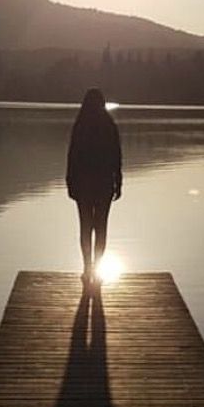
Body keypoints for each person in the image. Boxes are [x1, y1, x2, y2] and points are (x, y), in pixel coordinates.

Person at [66, 88, 122, 287]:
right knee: (101, 228)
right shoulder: (109, 125)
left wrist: (70, 181)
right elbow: (117, 155)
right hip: (104, 183)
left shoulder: (80, 125)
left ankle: (87, 268)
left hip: (84, 184)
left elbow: (72, 155)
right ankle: (96, 269)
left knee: (85, 227)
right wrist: (119, 181)